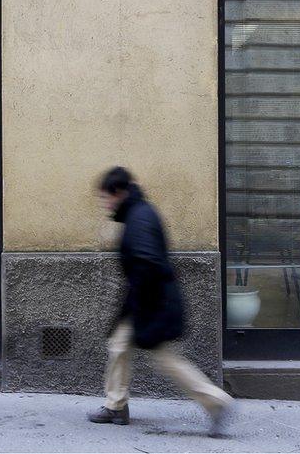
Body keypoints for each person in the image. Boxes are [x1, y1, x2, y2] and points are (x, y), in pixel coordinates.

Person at [87, 166, 233, 437]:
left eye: (105, 197)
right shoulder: (137, 213)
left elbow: (148, 265)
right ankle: (116, 405)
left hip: (151, 304)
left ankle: (217, 401)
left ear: (117, 193)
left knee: (164, 359)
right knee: (119, 344)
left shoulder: (139, 218)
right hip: (144, 301)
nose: (104, 204)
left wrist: (141, 312)